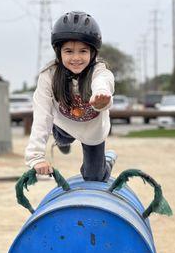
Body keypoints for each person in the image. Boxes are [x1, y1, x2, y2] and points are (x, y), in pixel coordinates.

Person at [25, 11, 117, 182]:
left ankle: (108, 159)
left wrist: (101, 97)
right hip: (63, 126)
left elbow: (103, 83)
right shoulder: (49, 75)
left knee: (94, 177)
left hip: (91, 130)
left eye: (83, 51)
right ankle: (61, 142)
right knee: (61, 136)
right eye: (69, 51)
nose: (76, 58)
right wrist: (35, 157)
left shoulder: (99, 72)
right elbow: (41, 116)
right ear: (59, 52)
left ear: (93, 53)